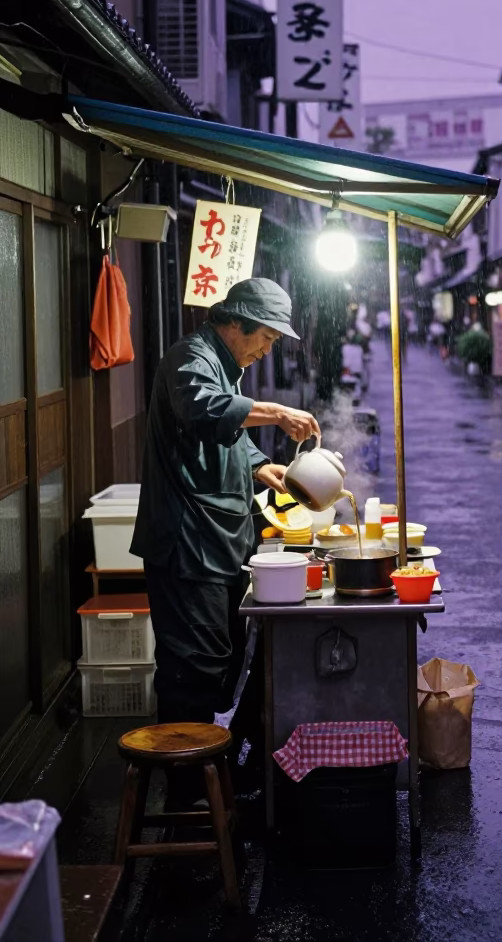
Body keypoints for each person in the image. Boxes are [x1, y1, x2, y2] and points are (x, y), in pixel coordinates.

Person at [131, 278, 320, 753]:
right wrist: (276, 412)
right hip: (185, 543)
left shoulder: (225, 365)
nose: (267, 350)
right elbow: (203, 412)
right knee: (193, 665)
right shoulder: (191, 357)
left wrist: (262, 466)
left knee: (223, 659)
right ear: (235, 323)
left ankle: (210, 768)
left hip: (217, 541)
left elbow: (228, 435)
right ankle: (185, 787)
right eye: (266, 338)